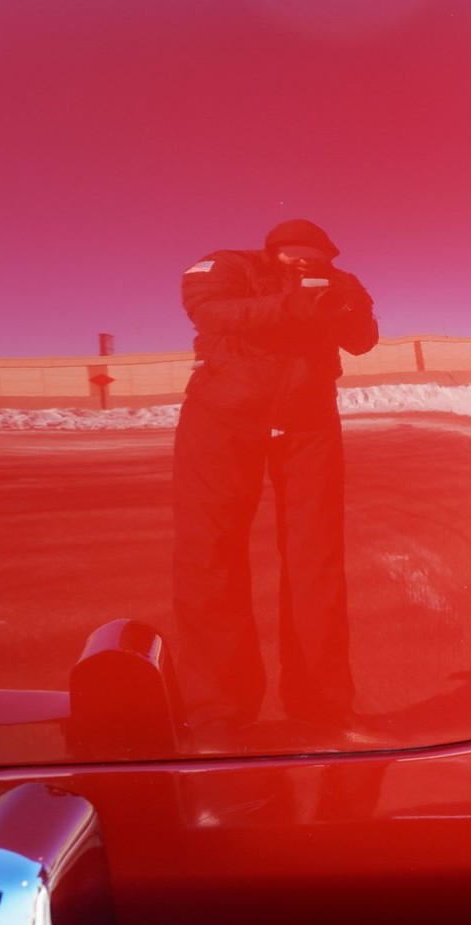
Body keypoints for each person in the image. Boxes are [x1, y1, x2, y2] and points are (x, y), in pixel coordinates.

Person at [172, 219, 378, 734]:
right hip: (221, 419)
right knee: (211, 554)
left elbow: (363, 341)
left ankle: (323, 704)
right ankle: (217, 711)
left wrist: (346, 304)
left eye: (317, 256)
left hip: (308, 424)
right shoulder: (229, 264)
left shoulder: (342, 281)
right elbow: (208, 309)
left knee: (318, 559)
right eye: (296, 256)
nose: (308, 264)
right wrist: (290, 306)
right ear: (274, 250)